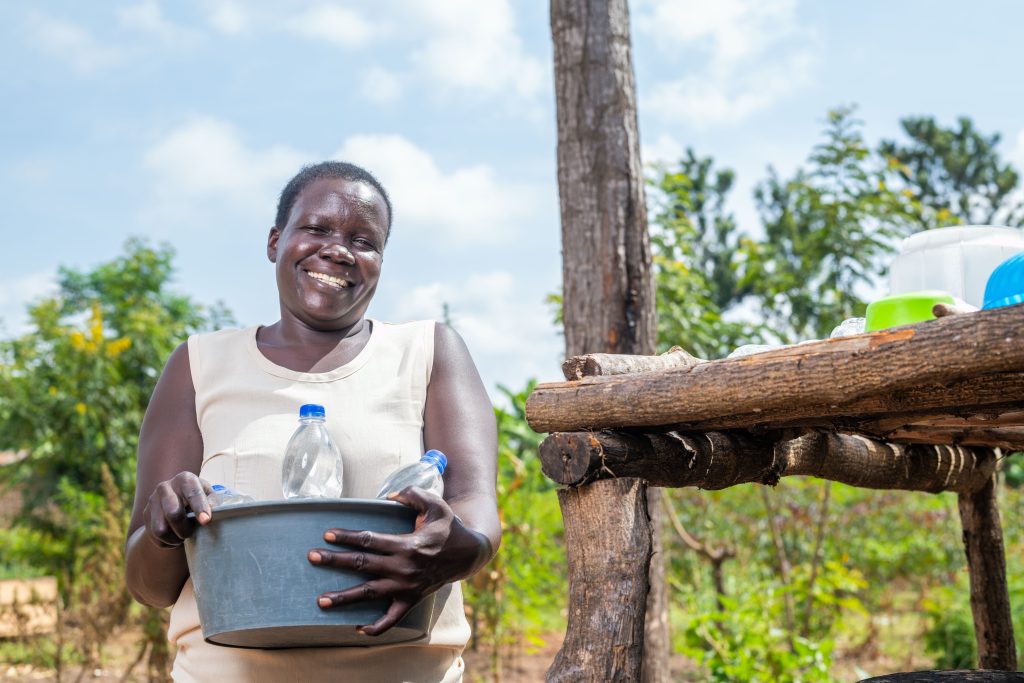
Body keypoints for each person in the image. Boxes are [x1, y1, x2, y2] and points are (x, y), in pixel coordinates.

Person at [124, 161, 501, 682]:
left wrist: (460, 548)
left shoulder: (428, 352)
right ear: (275, 241)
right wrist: (165, 530)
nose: (339, 250)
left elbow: (476, 509)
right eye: (317, 228)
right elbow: (149, 587)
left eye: (364, 241)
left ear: (380, 261)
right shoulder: (199, 364)